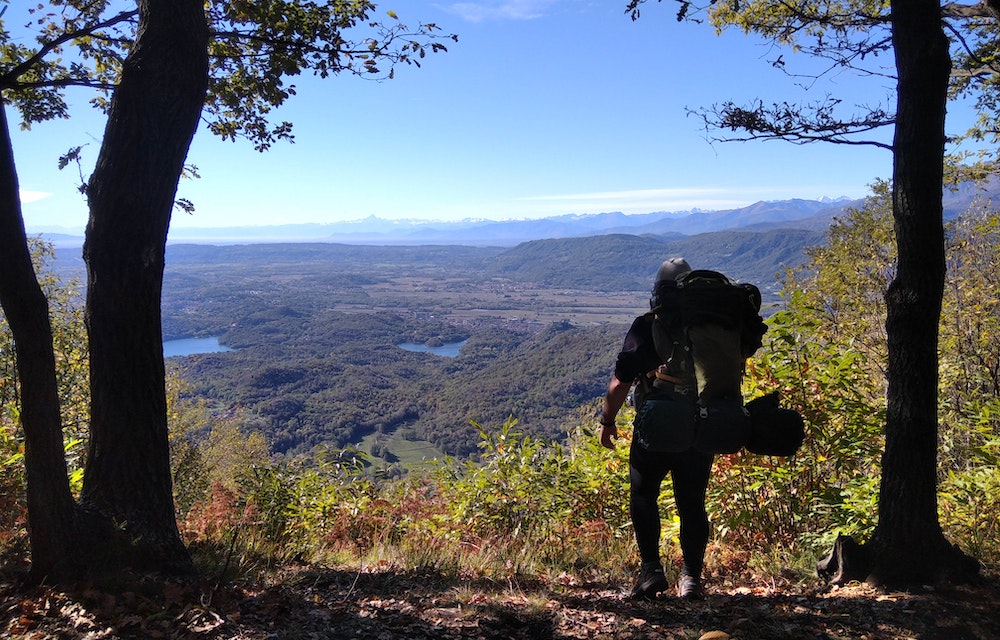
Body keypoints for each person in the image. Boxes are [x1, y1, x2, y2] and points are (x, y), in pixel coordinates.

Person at [598, 257, 714, 600]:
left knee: (644, 495)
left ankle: (651, 571)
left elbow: (620, 384)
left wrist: (607, 422)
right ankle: (691, 578)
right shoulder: (712, 326)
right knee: (692, 502)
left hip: (656, 428)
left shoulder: (648, 326)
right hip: (700, 426)